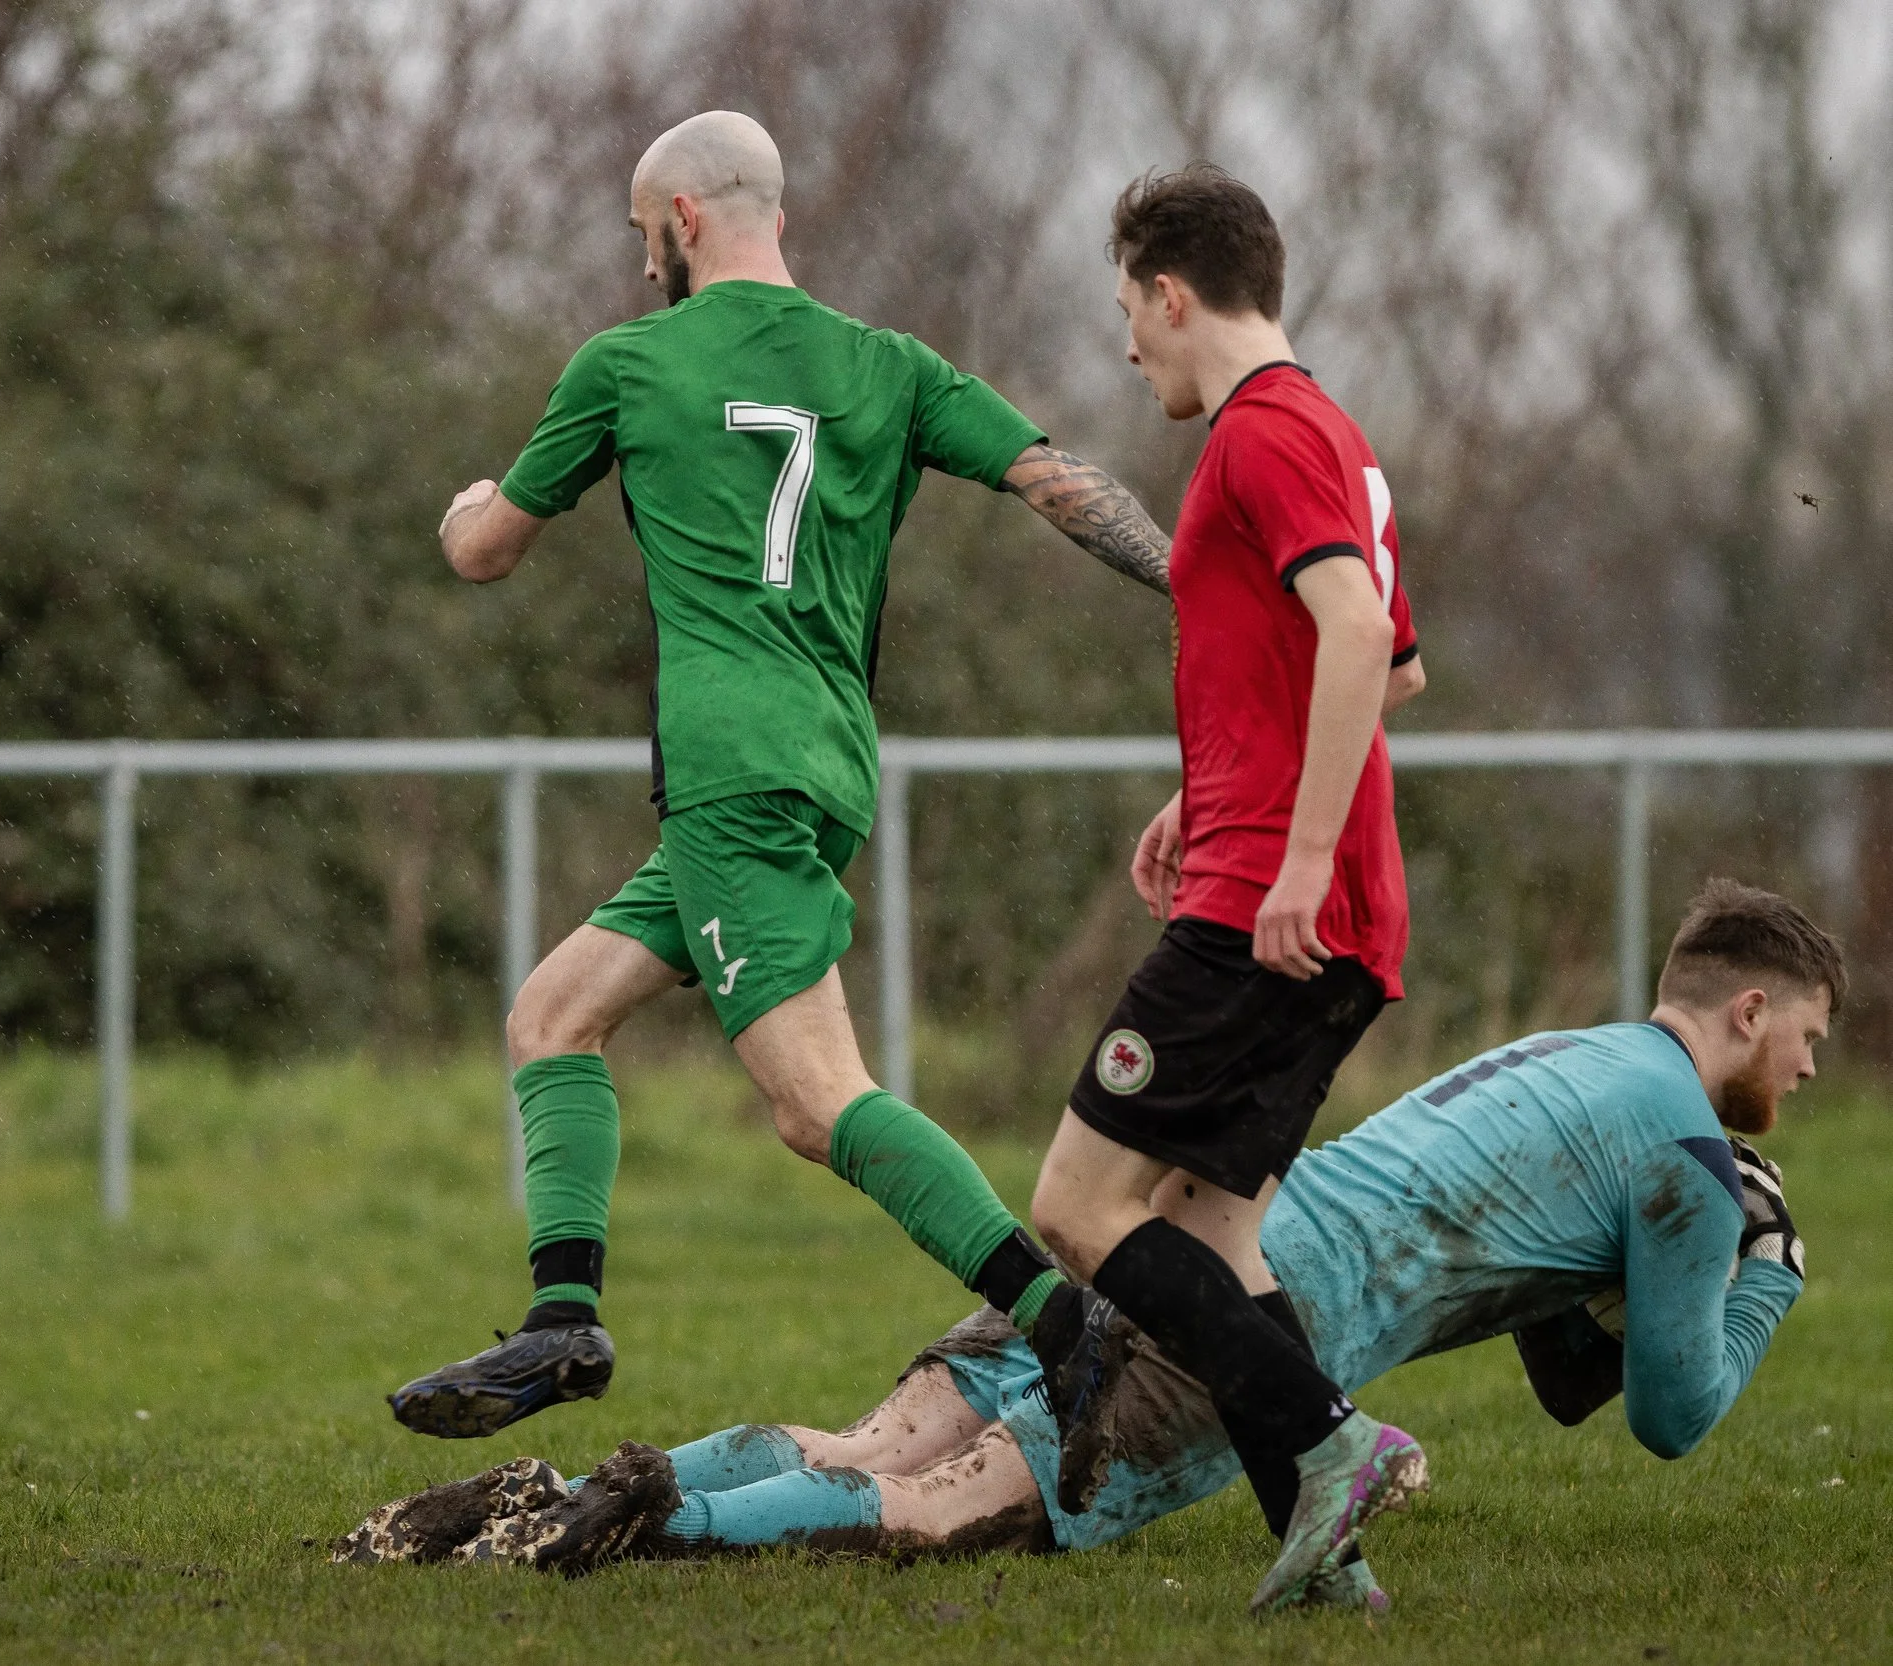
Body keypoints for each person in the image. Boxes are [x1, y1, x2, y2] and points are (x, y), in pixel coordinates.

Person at [337, 879, 1827, 1615]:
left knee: (872, 1444)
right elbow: (1672, 1413)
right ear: (1749, 1011)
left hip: (1173, 1238)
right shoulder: (1687, 1154)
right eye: (1814, 1038)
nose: (1815, 1073)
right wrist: (1766, 1281)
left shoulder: (1583, 1057)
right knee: (938, 1518)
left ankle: (564, 1486)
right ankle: (614, 1522)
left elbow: (1563, 1359)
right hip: (1262, 1320)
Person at [393, 112, 1176, 1439]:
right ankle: (561, 1319)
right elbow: (1059, 483)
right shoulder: (890, 365)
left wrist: (466, 501)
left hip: (728, 772)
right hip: (817, 767)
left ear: (687, 220)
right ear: (778, 218)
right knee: (554, 1015)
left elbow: (485, 553)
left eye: (646, 232)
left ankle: (1068, 1328)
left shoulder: (628, 364)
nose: (645, 257)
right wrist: (1195, 579)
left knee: (819, 1106)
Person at [1013, 163, 1427, 1613]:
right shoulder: (1326, 432)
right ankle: (1327, 1567)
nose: (1128, 345)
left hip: (1276, 907)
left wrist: (1293, 855)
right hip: (1293, 882)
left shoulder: (1262, 436)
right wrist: (1210, 789)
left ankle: (1333, 1444)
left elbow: (1363, 633)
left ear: (1173, 294)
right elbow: (1384, 655)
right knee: (1210, 1232)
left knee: (1077, 1202)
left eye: (1129, 310)